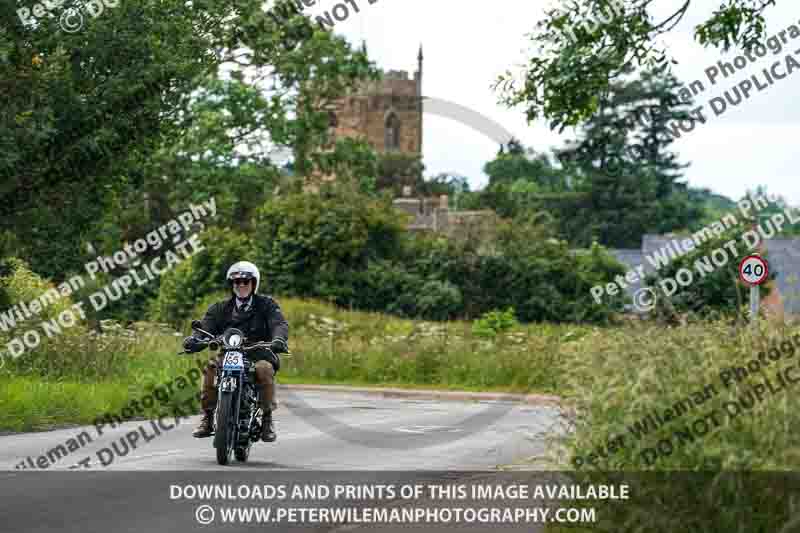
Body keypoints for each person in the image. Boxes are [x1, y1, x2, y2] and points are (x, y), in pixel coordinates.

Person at [182, 261, 289, 442]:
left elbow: (279, 323)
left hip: (258, 353)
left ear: (253, 284)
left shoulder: (267, 305)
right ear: (232, 285)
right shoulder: (220, 308)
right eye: (236, 282)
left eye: (245, 282)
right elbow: (205, 327)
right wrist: (195, 340)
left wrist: (278, 339)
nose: (240, 285)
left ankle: (267, 420)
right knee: (210, 368)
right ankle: (208, 418)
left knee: (264, 369)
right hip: (229, 353)